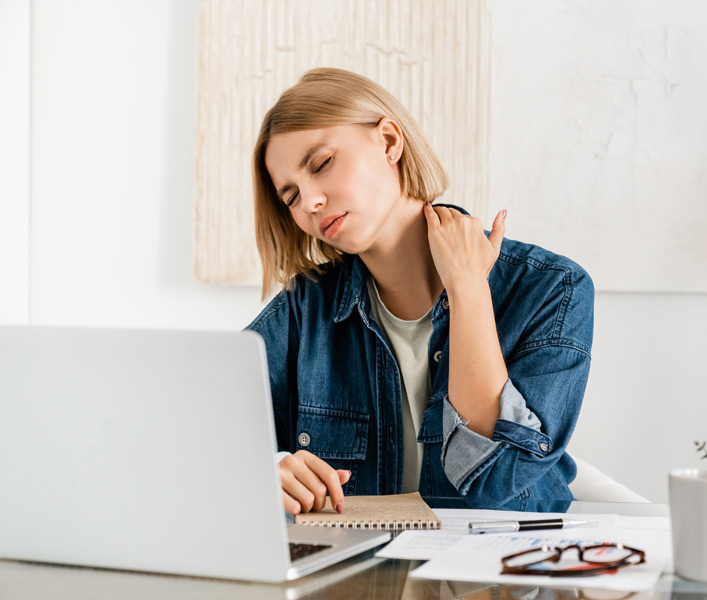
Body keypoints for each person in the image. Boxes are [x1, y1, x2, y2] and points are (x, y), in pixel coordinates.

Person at [247, 67, 594, 514]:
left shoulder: (551, 290)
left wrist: (468, 287)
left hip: (503, 579)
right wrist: (267, 470)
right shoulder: (304, 309)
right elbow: (194, 434)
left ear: (389, 142)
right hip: (362, 581)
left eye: (321, 164)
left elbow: (490, 479)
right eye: (291, 196)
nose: (311, 202)